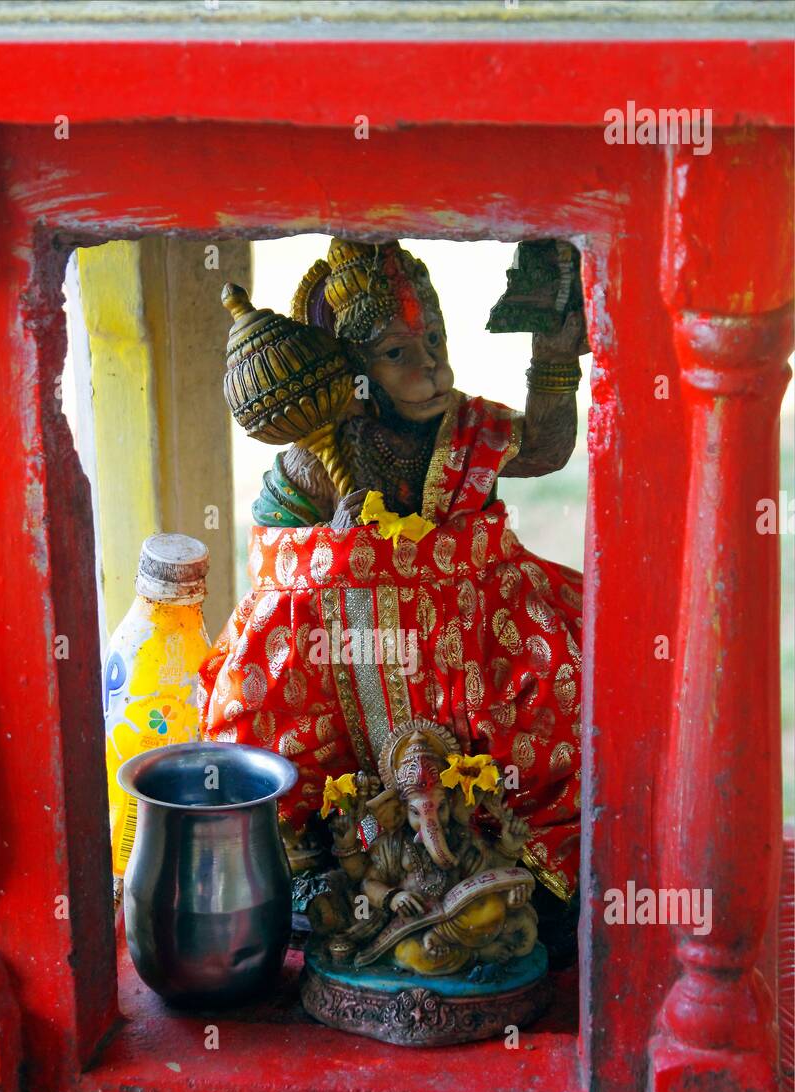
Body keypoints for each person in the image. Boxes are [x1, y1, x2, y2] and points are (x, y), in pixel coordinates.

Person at [200, 238, 586, 911]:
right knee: (262, 693)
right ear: (353, 371)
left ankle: (521, 851)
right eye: (398, 352)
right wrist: (332, 545)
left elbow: (548, 448)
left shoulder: (469, 429)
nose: (431, 364)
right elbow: (275, 562)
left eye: (434, 337)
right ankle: (315, 861)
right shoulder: (319, 457)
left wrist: (553, 358)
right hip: (345, 663)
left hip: (473, 642)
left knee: (566, 677)